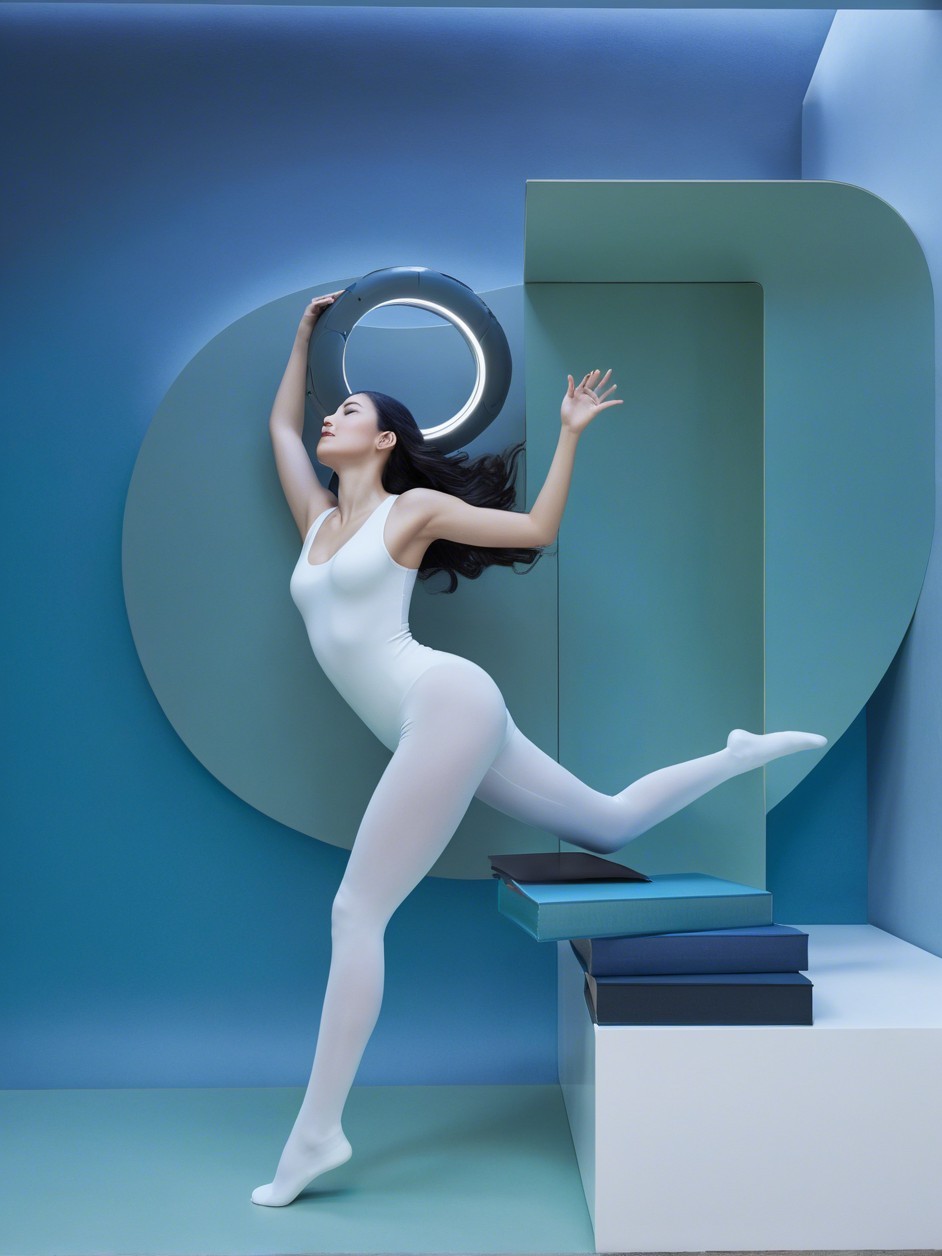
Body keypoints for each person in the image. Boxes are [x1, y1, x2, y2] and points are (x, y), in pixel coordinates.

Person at [251, 291, 827, 1207]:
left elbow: (534, 533)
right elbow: (281, 424)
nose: (330, 416)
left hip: (445, 700)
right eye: (334, 408)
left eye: (349, 410)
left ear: (387, 441)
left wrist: (569, 434)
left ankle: (316, 1135)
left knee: (356, 913)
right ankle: (732, 755)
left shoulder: (413, 511)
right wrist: (303, 336)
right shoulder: (317, 520)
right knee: (609, 822)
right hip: (439, 717)